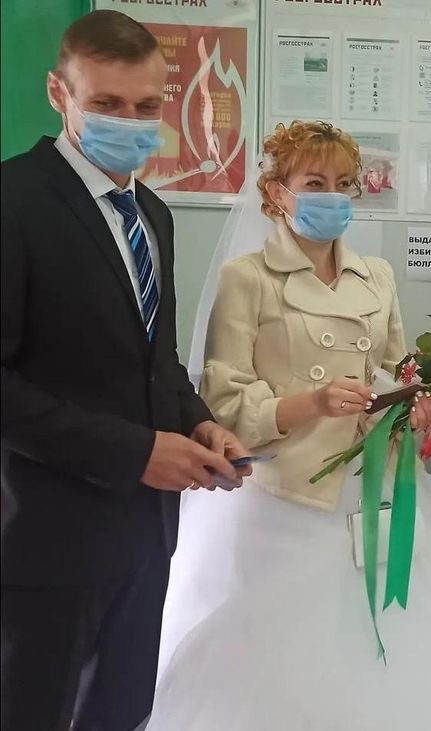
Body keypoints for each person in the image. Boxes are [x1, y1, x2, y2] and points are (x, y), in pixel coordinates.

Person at [147, 121, 431, 730]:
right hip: (288, 496)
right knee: (284, 663)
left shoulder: (377, 276)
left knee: (399, 648)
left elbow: (393, 368)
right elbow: (224, 401)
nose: (333, 197)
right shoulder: (247, 278)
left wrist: (415, 404)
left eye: (343, 184)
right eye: (315, 183)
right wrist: (310, 403)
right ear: (277, 192)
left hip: (377, 484)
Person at [0, 11, 250, 731]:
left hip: (145, 537)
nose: (131, 123)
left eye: (146, 106)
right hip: (46, 538)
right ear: (59, 93)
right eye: (107, 103)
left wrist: (199, 422)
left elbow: (154, 358)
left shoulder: (153, 215)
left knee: (122, 711)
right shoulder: (14, 202)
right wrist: (135, 451)